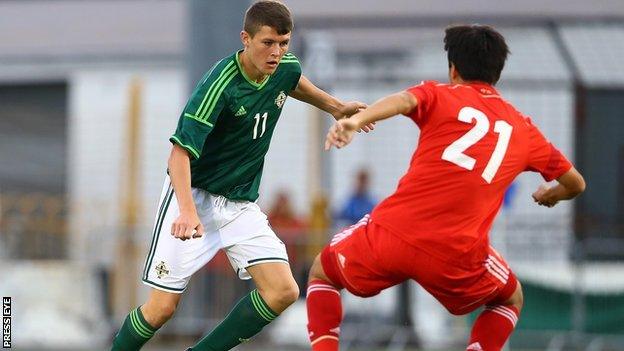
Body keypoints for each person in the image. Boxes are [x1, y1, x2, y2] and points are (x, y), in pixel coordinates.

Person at [306, 24, 585, 351]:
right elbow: (575, 183)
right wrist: (553, 194)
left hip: (395, 234)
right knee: (509, 299)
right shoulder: (523, 129)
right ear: (497, 73)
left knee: (322, 274)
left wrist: (356, 119)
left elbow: (404, 100)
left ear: (453, 69)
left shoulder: (440, 94)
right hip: (457, 256)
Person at [110, 1, 371, 350]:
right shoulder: (220, 85)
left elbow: (293, 81)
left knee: (283, 291)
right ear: (245, 39)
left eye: (283, 43)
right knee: (161, 309)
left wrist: (337, 107)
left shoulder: (283, 66)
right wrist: (187, 211)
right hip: (193, 195)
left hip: (239, 204)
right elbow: (178, 154)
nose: (276, 52)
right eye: (268, 43)